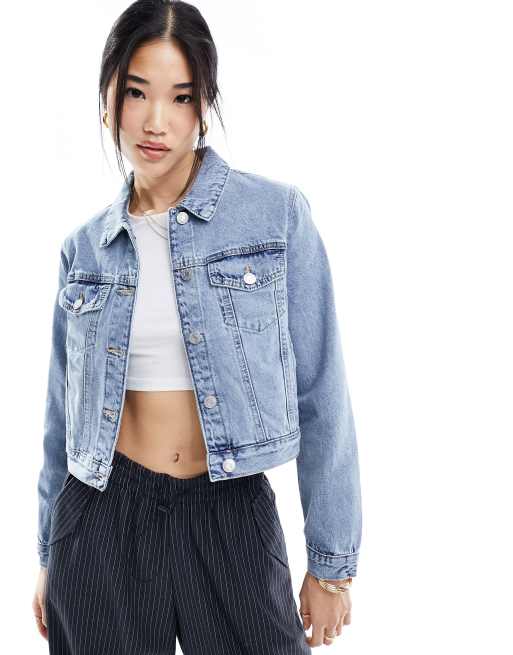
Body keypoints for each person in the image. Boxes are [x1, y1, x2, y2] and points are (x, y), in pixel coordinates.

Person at [32, 1, 362, 652]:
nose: (155, 120)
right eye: (136, 92)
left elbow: (321, 391)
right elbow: (59, 421)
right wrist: (47, 552)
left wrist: (332, 562)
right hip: (102, 522)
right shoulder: (85, 249)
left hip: (229, 511)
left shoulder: (274, 216)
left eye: (180, 97)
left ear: (204, 106)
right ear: (107, 100)